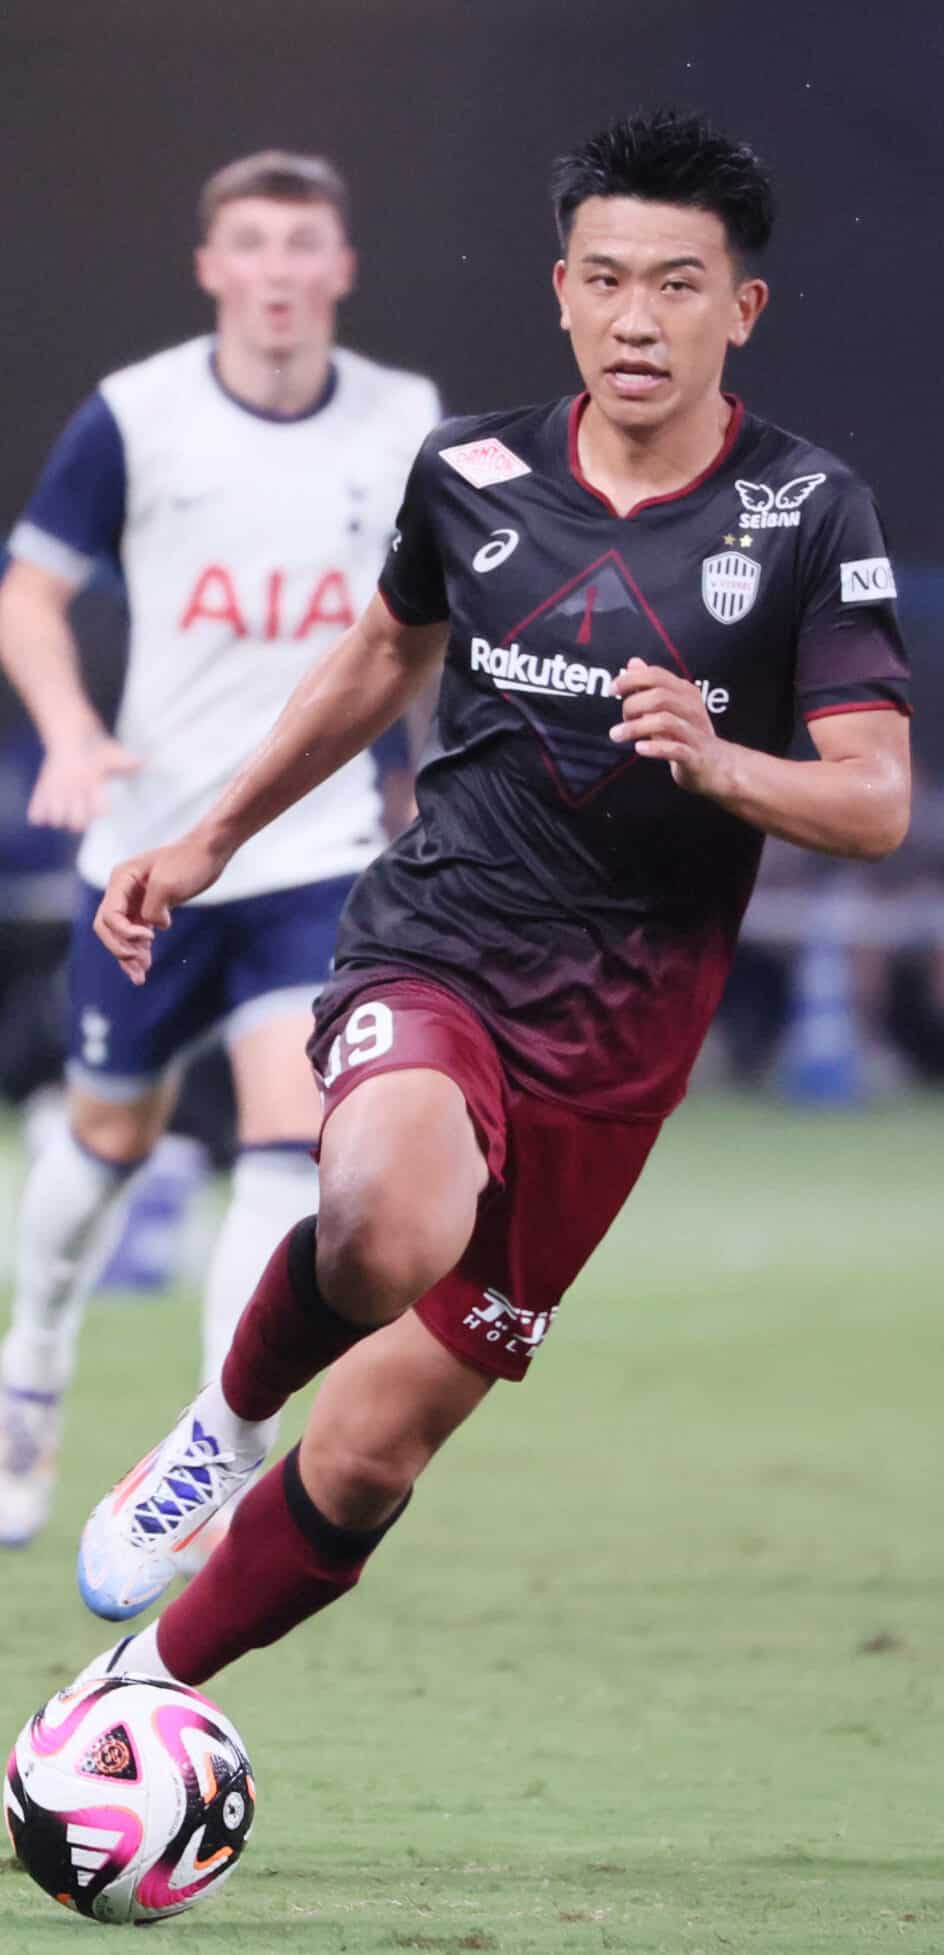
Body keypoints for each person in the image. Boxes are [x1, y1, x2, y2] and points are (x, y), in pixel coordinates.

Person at [69, 110, 912, 1684]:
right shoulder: (470, 472)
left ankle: (130, 1698)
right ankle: (221, 1424)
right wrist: (208, 837)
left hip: (619, 1047)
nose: (638, 317)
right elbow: (379, 656)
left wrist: (724, 762)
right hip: (440, 944)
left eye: (677, 284)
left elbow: (874, 798)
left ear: (742, 308)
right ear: (563, 290)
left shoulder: (810, 512)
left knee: (373, 1450)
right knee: (386, 1219)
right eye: (607, 278)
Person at [0, 154, 439, 1550]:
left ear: (340, 269)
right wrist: (69, 731)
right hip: (150, 853)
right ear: (211, 267)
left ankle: (213, 1452)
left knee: (287, 1146)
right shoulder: (136, 414)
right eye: (253, 243)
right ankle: (32, 1361)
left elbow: (440, 620)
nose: (279, 270)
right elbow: (27, 595)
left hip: (318, 852)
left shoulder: (404, 419)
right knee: (107, 1137)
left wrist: (435, 777)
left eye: (304, 244)